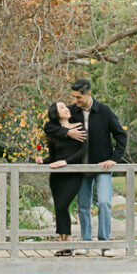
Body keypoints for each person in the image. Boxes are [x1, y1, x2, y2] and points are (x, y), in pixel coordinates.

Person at [44, 79, 127, 257]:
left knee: (104, 203)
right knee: (83, 206)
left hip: (102, 166)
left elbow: (121, 135)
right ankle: (86, 243)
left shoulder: (104, 111)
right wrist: (68, 132)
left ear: (88, 94)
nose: (75, 101)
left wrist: (114, 159)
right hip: (80, 168)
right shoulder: (72, 110)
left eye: (78, 97)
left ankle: (105, 244)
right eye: (73, 97)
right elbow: (49, 126)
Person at [38, 101, 87, 257]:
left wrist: (66, 162)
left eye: (66, 106)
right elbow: (53, 156)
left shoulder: (79, 126)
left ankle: (68, 241)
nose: (66, 109)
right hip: (57, 176)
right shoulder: (54, 131)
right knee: (60, 208)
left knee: (62, 205)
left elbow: (84, 151)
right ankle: (63, 242)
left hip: (73, 173)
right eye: (61, 107)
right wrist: (43, 160)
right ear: (55, 113)